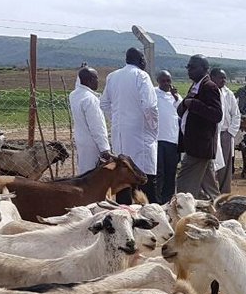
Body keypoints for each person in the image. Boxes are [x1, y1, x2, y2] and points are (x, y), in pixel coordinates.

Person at [100, 48, 159, 203]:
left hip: (119, 135)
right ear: (141, 60)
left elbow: (104, 103)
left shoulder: (112, 77)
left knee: (123, 179)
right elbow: (150, 106)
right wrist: (152, 127)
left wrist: (117, 120)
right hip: (140, 135)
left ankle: (124, 212)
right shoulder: (141, 76)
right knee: (144, 180)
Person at [176, 55, 222, 199]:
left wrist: (193, 104)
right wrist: (185, 103)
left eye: (193, 67)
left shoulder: (209, 87)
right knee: (209, 187)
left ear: (204, 69)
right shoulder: (196, 86)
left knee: (184, 184)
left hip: (199, 146)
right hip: (196, 145)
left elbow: (217, 114)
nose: (189, 70)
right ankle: (220, 207)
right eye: (188, 67)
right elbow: (182, 110)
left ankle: (184, 210)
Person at [68, 66, 109, 174]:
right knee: (93, 174)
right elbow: (97, 127)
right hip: (92, 143)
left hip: (81, 139)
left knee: (84, 171)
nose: (98, 81)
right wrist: (104, 149)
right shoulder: (90, 99)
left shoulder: (74, 95)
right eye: (96, 78)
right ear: (90, 80)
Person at [154, 70, 181, 203]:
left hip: (172, 139)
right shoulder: (153, 93)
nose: (166, 83)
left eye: (168, 81)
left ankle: (168, 199)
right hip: (157, 139)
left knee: (171, 171)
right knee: (159, 172)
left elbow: (181, 112)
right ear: (158, 81)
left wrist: (176, 98)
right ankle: (157, 199)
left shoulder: (176, 96)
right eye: (163, 81)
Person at [213, 68, 240, 194]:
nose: (223, 80)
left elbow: (236, 114)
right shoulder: (208, 91)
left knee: (225, 164)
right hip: (211, 133)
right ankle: (210, 192)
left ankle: (224, 192)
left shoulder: (228, 94)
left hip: (225, 133)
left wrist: (230, 133)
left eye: (225, 78)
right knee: (210, 163)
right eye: (220, 78)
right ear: (212, 78)